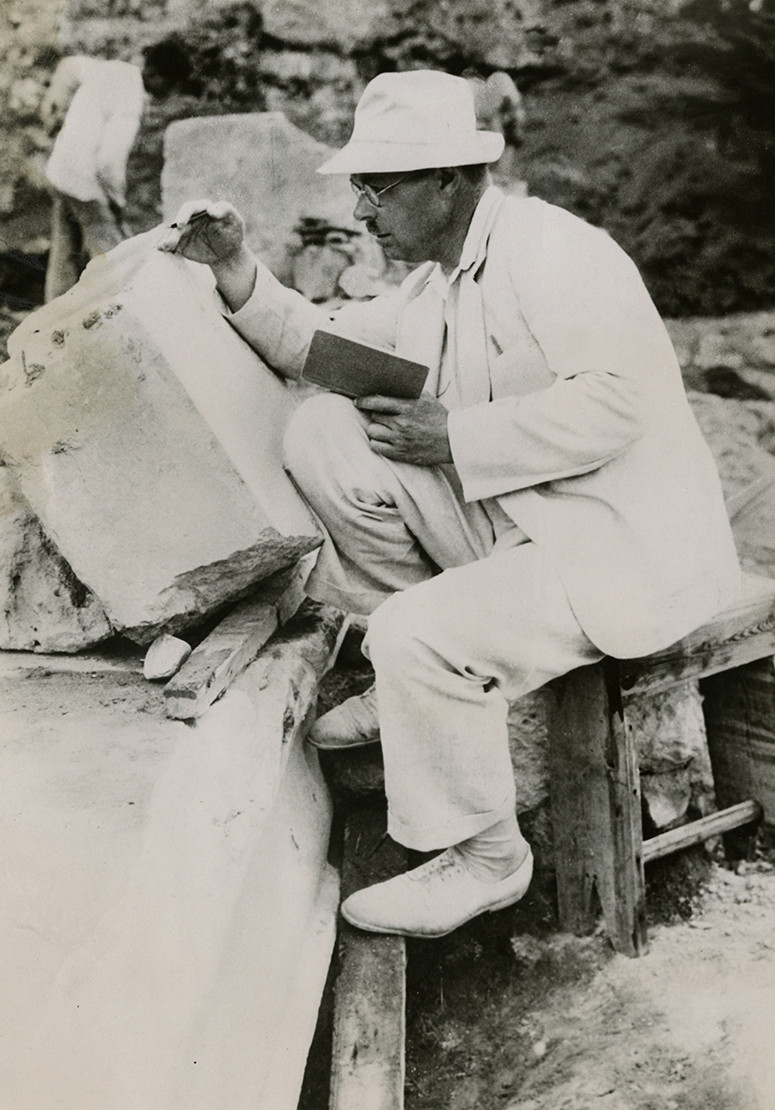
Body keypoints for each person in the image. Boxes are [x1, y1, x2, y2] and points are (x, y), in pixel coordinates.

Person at [160, 71, 741, 939]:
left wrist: (456, 437)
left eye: (379, 188)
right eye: (359, 188)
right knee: (322, 432)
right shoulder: (435, 281)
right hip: (525, 522)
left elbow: (620, 402)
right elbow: (326, 348)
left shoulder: (556, 251)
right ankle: (416, 689)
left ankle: (486, 856)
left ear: (450, 180)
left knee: (414, 633)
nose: (362, 211)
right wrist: (236, 269)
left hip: (617, 548)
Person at [41, 56, 144, 300]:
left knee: (66, 248)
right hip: (83, 182)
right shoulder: (132, 100)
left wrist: (53, 103)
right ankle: (121, 311)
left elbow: (69, 66)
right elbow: (108, 163)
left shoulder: (118, 70)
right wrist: (117, 201)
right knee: (109, 252)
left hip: (59, 170)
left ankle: (51, 315)